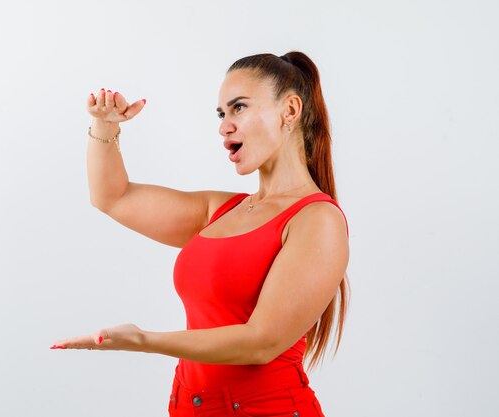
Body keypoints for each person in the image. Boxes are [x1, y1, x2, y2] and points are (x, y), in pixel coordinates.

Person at [51, 50, 350, 417]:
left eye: (239, 108)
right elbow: (113, 196)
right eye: (222, 114)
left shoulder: (317, 220)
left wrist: (144, 340)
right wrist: (106, 125)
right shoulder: (220, 211)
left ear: (290, 111)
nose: (224, 126)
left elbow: (262, 341)